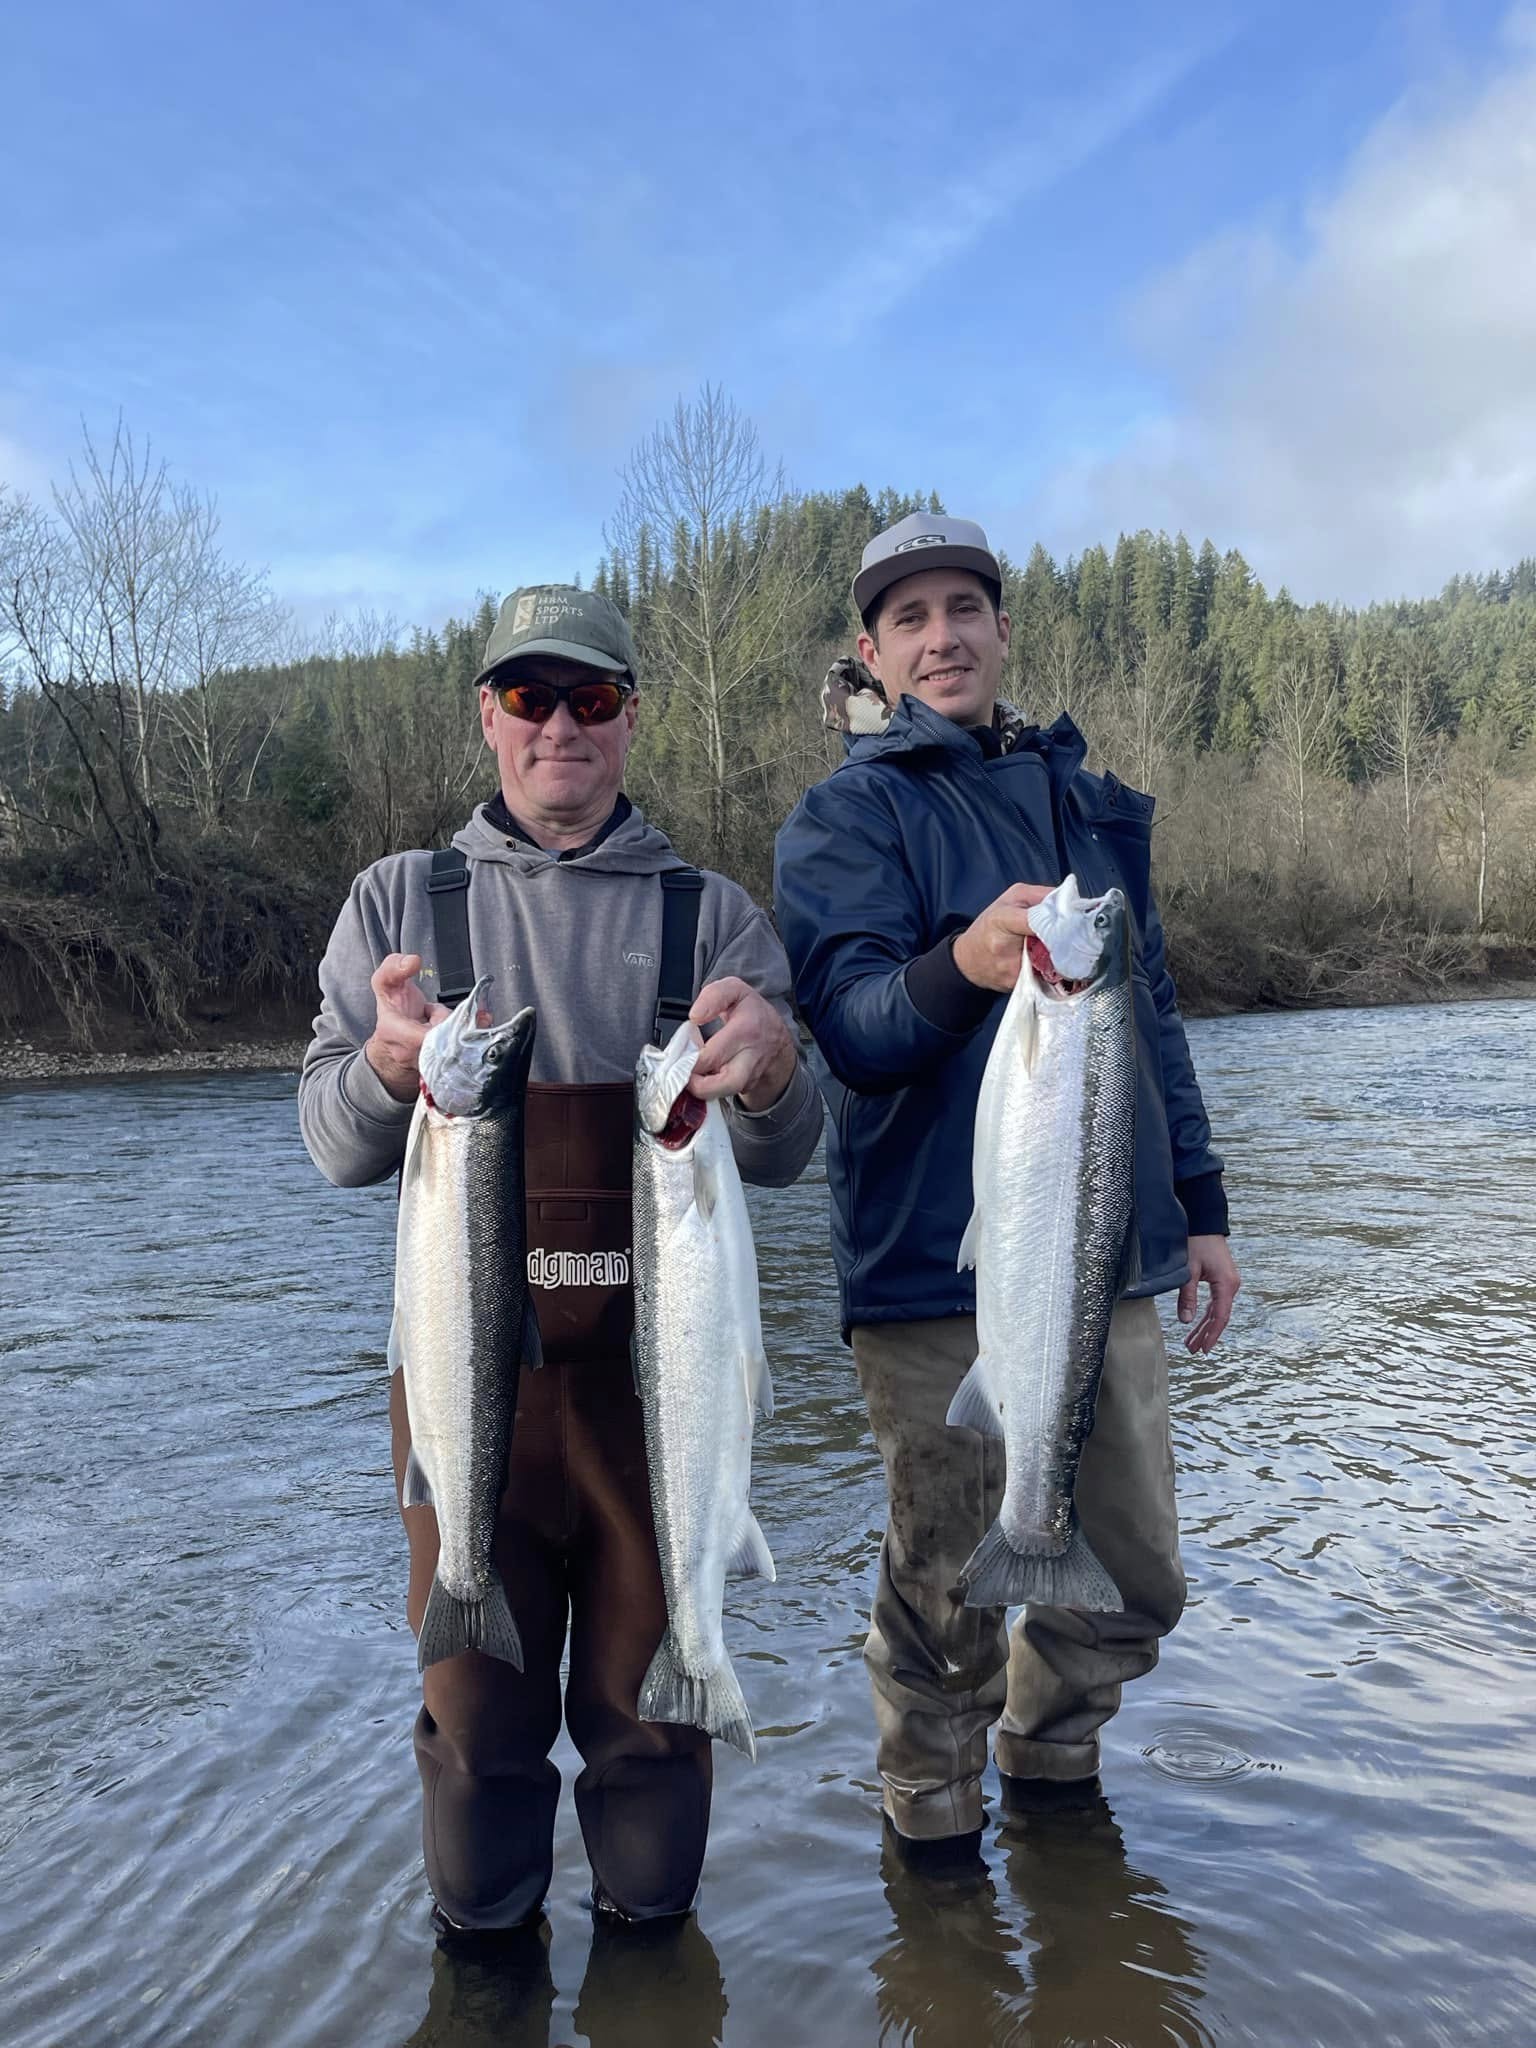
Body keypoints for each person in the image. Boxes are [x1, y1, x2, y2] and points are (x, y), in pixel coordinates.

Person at [299, 583, 823, 1940]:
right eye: (531, 698)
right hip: (470, 1393)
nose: (560, 727)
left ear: (630, 717)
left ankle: (656, 1969)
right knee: (477, 1728)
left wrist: (773, 1071)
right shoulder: (397, 902)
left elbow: (785, 1153)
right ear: (488, 716)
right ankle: (483, 1973)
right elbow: (334, 1147)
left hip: (662, 1403)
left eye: (590, 698)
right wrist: (386, 1068)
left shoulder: (711, 916)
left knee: (655, 1728)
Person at [773, 513, 1240, 1850]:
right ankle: (932, 1831)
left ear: (1002, 628)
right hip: (929, 1271)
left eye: (962, 609)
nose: (942, 638)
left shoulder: (1087, 804)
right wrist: (960, 969)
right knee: (944, 1600)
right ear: (872, 652)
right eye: (908, 618)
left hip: (1110, 1251)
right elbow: (851, 1032)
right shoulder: (845, 816)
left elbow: (1151, 1015)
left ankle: (1051, 1772)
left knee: (1136, 1575)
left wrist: (1203, 1208)